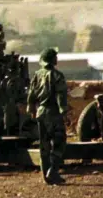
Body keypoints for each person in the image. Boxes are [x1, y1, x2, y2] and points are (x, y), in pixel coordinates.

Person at [27, 48, 68, 185]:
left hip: (41, 113)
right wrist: (64, 112)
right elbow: (60, 96)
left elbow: (31, 95)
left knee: (44, 146)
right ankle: (53, 171)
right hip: (53, 113)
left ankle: (46, 176)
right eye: (55, 57)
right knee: (59, 142)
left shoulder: (37, 75)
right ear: (52, 60)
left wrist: (31, 109)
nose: (57, 59)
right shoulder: (57, 75)